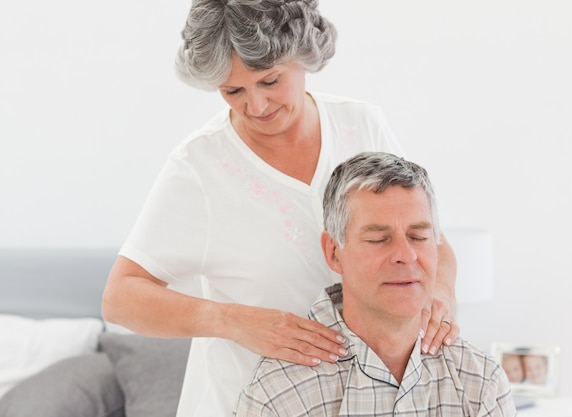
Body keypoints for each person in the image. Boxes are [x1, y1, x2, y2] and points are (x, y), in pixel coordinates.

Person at [101, 1, 459, 415]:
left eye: (270, 81)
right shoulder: (199, 168)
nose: (256, 105)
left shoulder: (362, 127)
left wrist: (440, 294)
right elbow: (120, 298)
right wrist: (234, 321)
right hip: (243, 402)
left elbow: (433, 242)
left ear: (302, 56)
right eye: (233, 91)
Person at [234, 152, 516, 416]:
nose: (406, 255)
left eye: (418, 237)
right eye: (378, 239)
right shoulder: (280, 394)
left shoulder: (480, 381)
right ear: (333, 252)